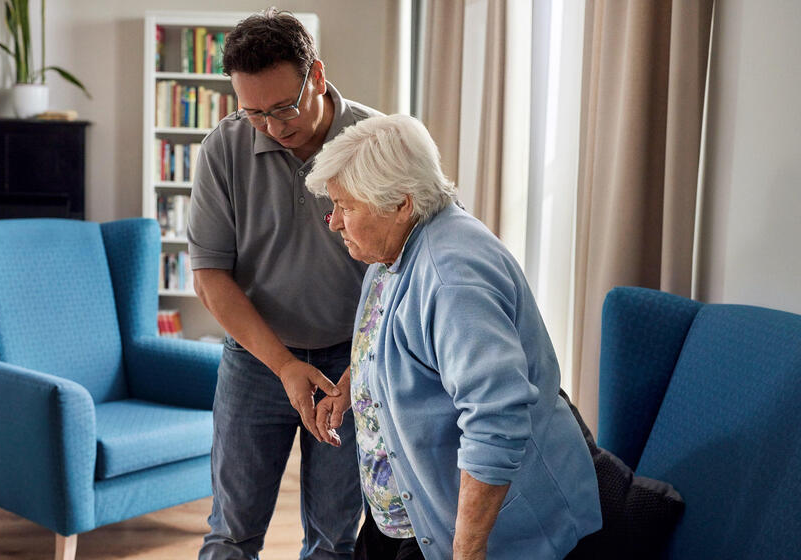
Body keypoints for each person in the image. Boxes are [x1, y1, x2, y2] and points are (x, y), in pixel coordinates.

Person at [305, 114, 603, 560]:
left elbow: (495, 417)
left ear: (401, 203)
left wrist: (467, 549)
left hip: (471, 535)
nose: (334, 222)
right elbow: (395, 343)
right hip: (409, 516)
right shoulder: (393, 251)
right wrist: (354, 387)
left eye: (346, 207)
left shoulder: (452, 277)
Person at [187, 9, 381, 560]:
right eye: (253, 112)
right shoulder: (223, 148)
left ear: (316, 75)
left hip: (350, 362)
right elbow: (209, 276)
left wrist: (365, 364)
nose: (271, 126)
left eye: (282, 108)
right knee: (231, 533)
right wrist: (284, 365)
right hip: (256, 359)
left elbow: (408, 270)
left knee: (334, 541)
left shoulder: (375, 143)